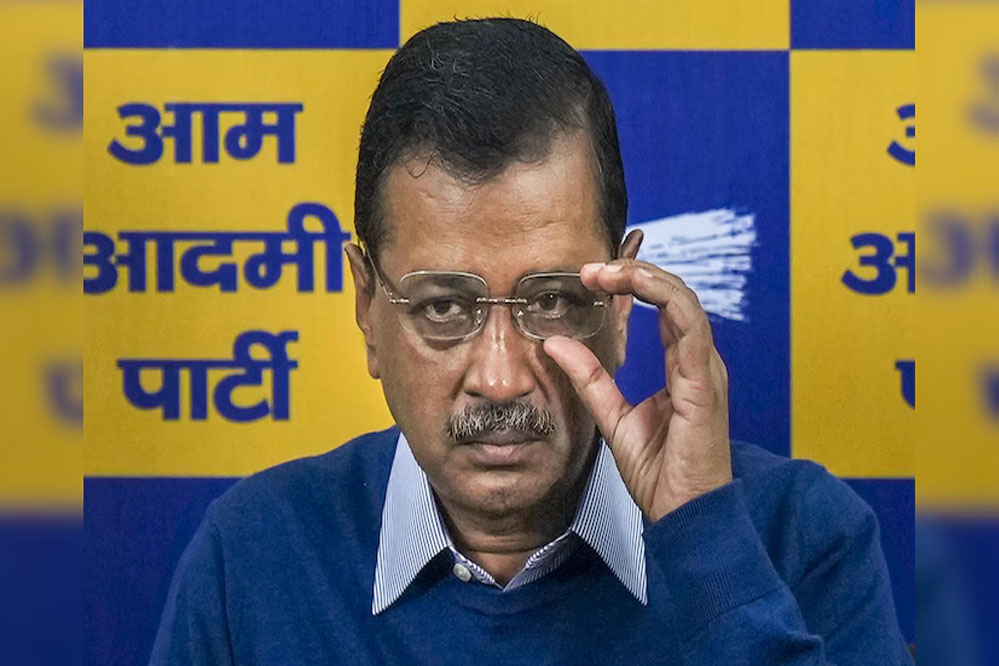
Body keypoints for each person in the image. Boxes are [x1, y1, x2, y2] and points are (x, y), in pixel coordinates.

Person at [150, 17, 912, 665]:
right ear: (365, 304)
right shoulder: (251, 557)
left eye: (550, 302)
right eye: (443, 307)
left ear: (621, 303)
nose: (500, 377)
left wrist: (704, 542)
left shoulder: (801, 536)